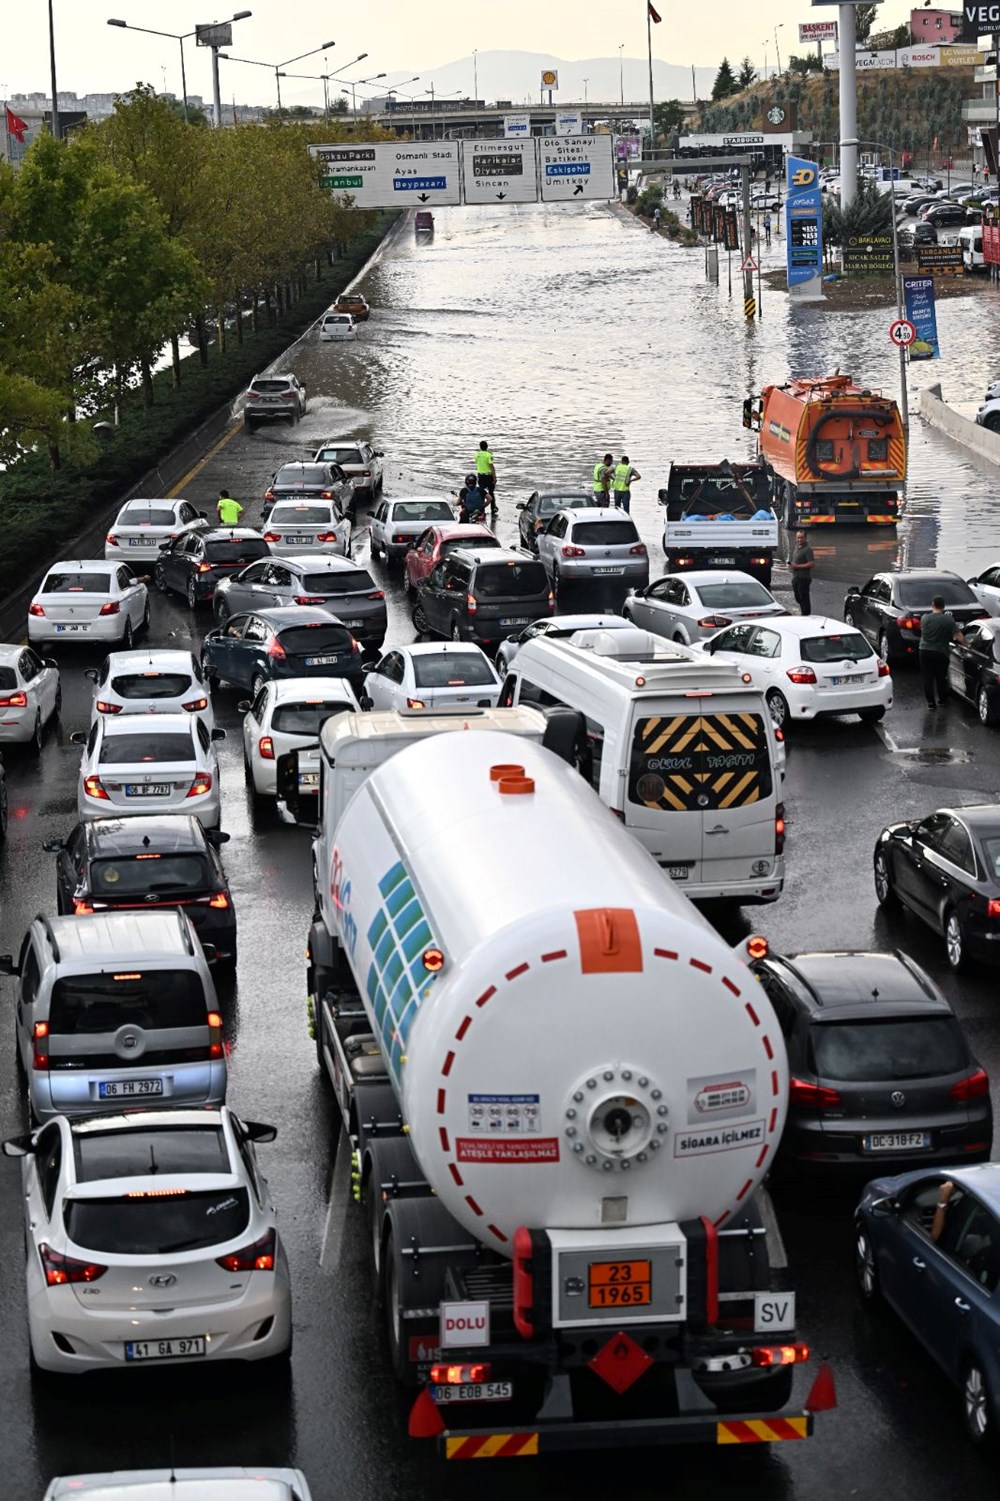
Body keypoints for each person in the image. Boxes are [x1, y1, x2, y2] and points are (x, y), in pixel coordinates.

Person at [919, 594, 966, 708]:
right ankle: (942, 700)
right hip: (940, 652)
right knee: (941, 677)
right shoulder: (948, 619)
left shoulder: (924, 618)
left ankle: (931, 703)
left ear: (932, 605)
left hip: (924, 651)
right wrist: (968, 645)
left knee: (928, 677)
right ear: (944, 606)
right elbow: (958, 635)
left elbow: (922, 629)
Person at [789, 530, 814, 615]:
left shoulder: (808, 550)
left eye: (801, 537)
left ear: (805, 538)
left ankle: (806, 615)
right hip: (796, 577)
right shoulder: (797, 547)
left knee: (804, 598)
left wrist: (798, 566)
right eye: (798, 537)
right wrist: (792, 565)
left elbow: (811, 564)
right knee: (798, 598)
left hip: (804, 578)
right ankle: (803, 612)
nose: (800, 539)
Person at [475, 440, 497, 510]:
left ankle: (481, 508)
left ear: (480, 447)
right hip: (488, 476)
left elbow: (477, 461)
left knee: (481, 492)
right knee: (491, 492)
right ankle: (493, 508)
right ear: (487, 447)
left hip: (480, 475)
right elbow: (491, 466)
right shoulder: (489, 455)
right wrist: (494, 477)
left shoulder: (477, 454)